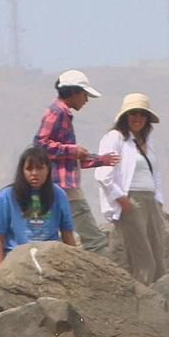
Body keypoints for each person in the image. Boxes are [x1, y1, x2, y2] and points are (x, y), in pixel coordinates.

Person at [33, 69, 120, 255]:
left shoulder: (62, 113)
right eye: (84, 95)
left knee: (56, 235)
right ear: (72, 92)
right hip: (64, 187)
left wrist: (99, 160)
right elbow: (41, 145)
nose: (86, 100)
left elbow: (67, 159)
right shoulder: (58, 112)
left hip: (58, 185)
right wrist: (73, 150)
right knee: (94, 239)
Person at [95, 93, 169, 284]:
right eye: (133, 114)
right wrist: (122, 199)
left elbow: (155, 174)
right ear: (125, 117)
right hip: (131, 199)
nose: (137, 118)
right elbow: (104, 174)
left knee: (158, 257)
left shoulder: (147, 143)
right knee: (142, 260)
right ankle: (139, 303)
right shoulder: (115, 138)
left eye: (141, 114)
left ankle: (158, 301)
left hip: (150, 201)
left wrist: (158, 201)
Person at [0, 146, 76, 268]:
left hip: (49, 258)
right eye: (29, 169)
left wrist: (73, 265)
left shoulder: (59, 195)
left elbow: (67, 232)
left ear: (48, 169)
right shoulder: (6, 196)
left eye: (39, 168)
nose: (34, 173)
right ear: (22, 171)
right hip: (16, 259)